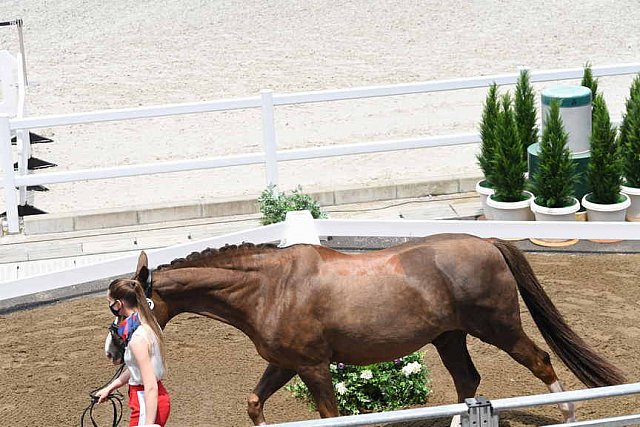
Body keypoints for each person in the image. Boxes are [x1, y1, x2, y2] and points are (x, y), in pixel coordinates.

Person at [96, 279, 171, 427]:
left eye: (109, 301)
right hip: (149, 399)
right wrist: (110, 387)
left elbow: (150, 386)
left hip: (145, 401)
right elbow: (136, 369)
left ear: (119, 304)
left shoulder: (137, 339)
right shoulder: (150, 324)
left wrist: (149, 425)